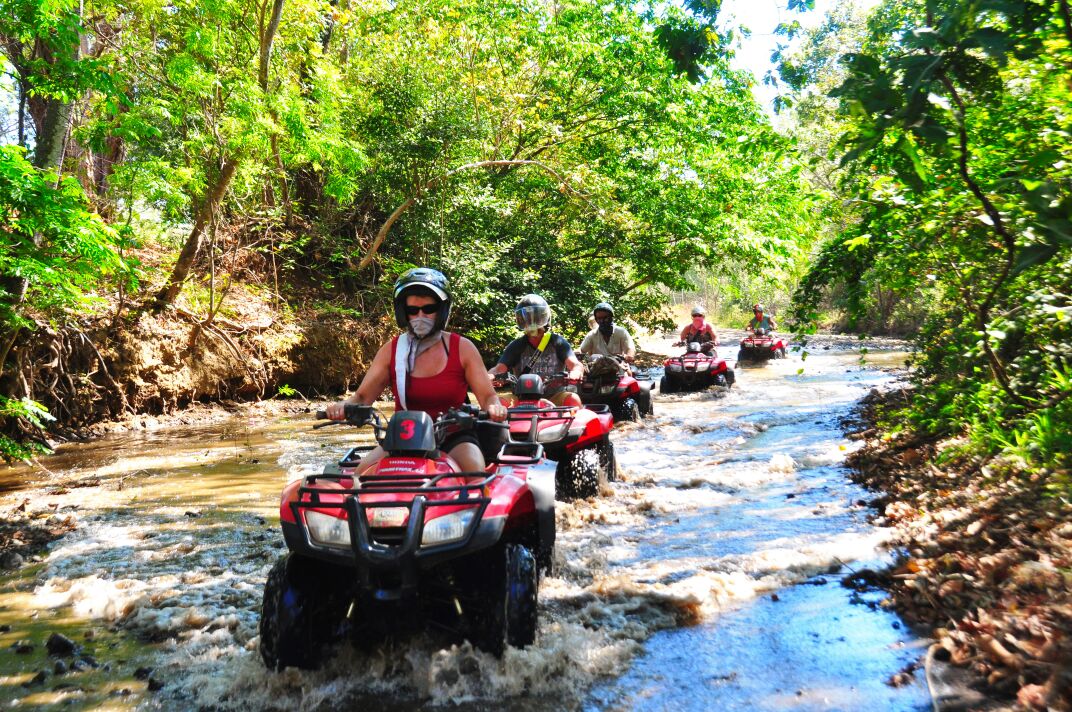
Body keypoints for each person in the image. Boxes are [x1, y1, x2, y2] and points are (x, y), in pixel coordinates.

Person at [325, 268, 507, 473]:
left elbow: (488, 396)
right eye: (413, 310)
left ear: (441, 310)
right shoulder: (391, 351)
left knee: (474, 471)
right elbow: (362, 397)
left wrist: (495, 407)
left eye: (429, 309)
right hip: (403, 438)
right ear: (403, 313)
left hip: (454, 436)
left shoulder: (463, 348)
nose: (421, 316)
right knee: (360, 476)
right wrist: (343, 406)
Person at [487, 294, 584, 406]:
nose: (531, 323)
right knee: (499, 403)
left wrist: (576, 372)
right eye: (527, 319)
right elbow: (499, 369)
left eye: (536, 318)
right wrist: (489, 376)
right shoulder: (516, 346)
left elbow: (575, 364)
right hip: (521, 399)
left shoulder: (558, 343)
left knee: (573, 399)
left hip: (554, 397)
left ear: (545, 318)